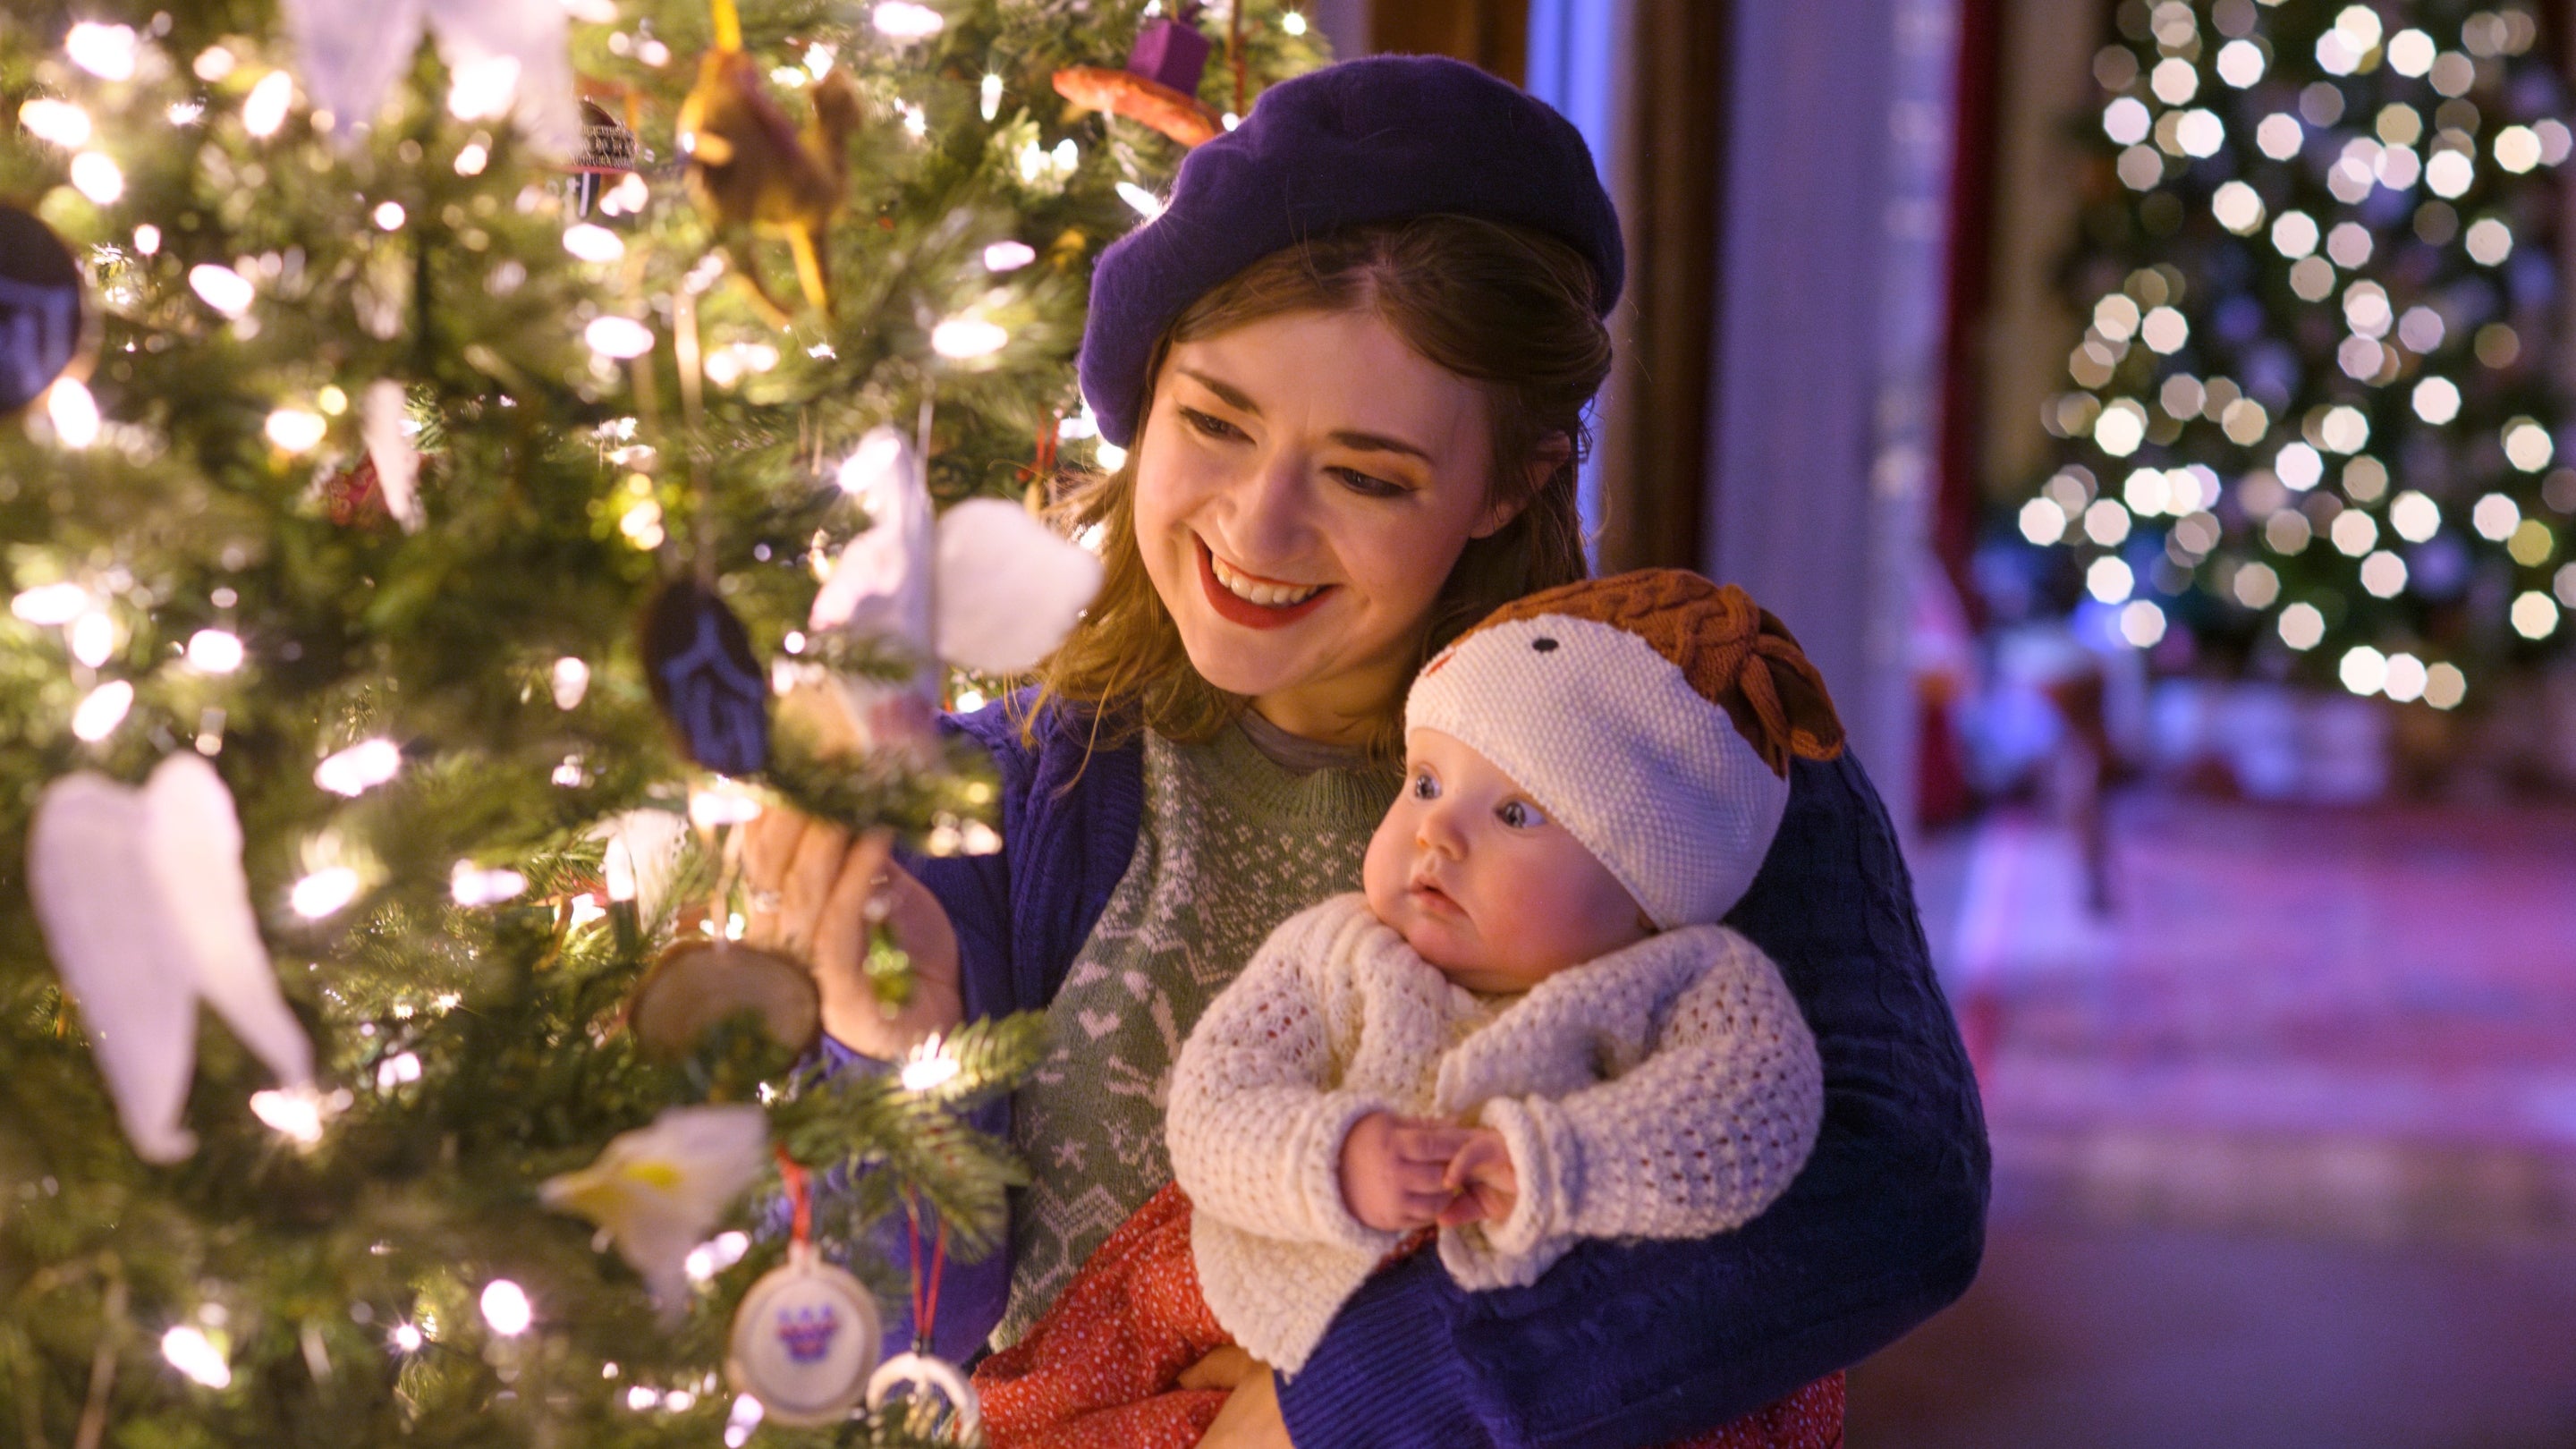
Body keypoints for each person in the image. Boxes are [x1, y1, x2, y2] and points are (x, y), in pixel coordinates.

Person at [743, 53, 1987, 1449]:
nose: (1257, 532)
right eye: (1213, 422)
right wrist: (891, 1045)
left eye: (1367, 474)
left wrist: (1329, 1411)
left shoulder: (1692, 744)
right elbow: (909, 1332)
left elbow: (1895, 1197)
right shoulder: (1013, 800)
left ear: (1511, 480)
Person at [970, 572, 1848, 1449]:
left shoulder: (1691, 983)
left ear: (1645, 894)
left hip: (1548, 1336)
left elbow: (1752, 1119)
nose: (1437, 832)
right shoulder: (1340, 948)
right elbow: (1215, 1102)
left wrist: (1566, 1160)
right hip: (1273, 1270)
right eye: (1425, 783)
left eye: (1514, 813)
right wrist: (1334, 1155)